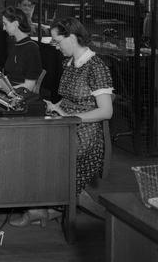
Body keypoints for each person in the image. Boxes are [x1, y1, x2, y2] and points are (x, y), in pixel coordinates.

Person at [10, 17, 113, 227]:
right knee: (26, 141)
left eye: (57, 41)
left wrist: (70, 117)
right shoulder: (70, 63)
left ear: (72, 38)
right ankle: (41, 206)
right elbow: (69, 98)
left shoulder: (96, 67)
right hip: (67, 124)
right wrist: (57, 107)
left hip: (86, 134)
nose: (55, 46)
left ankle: (42, 207)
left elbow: (106, 111)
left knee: (38, 151)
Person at [1, 6, 42, 91]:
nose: (3, 28)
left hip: (19, 96)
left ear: (16, 24)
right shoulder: (15, 45)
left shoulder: (31, 48)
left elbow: (29, 86)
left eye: (5, 24)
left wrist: (4, 90)